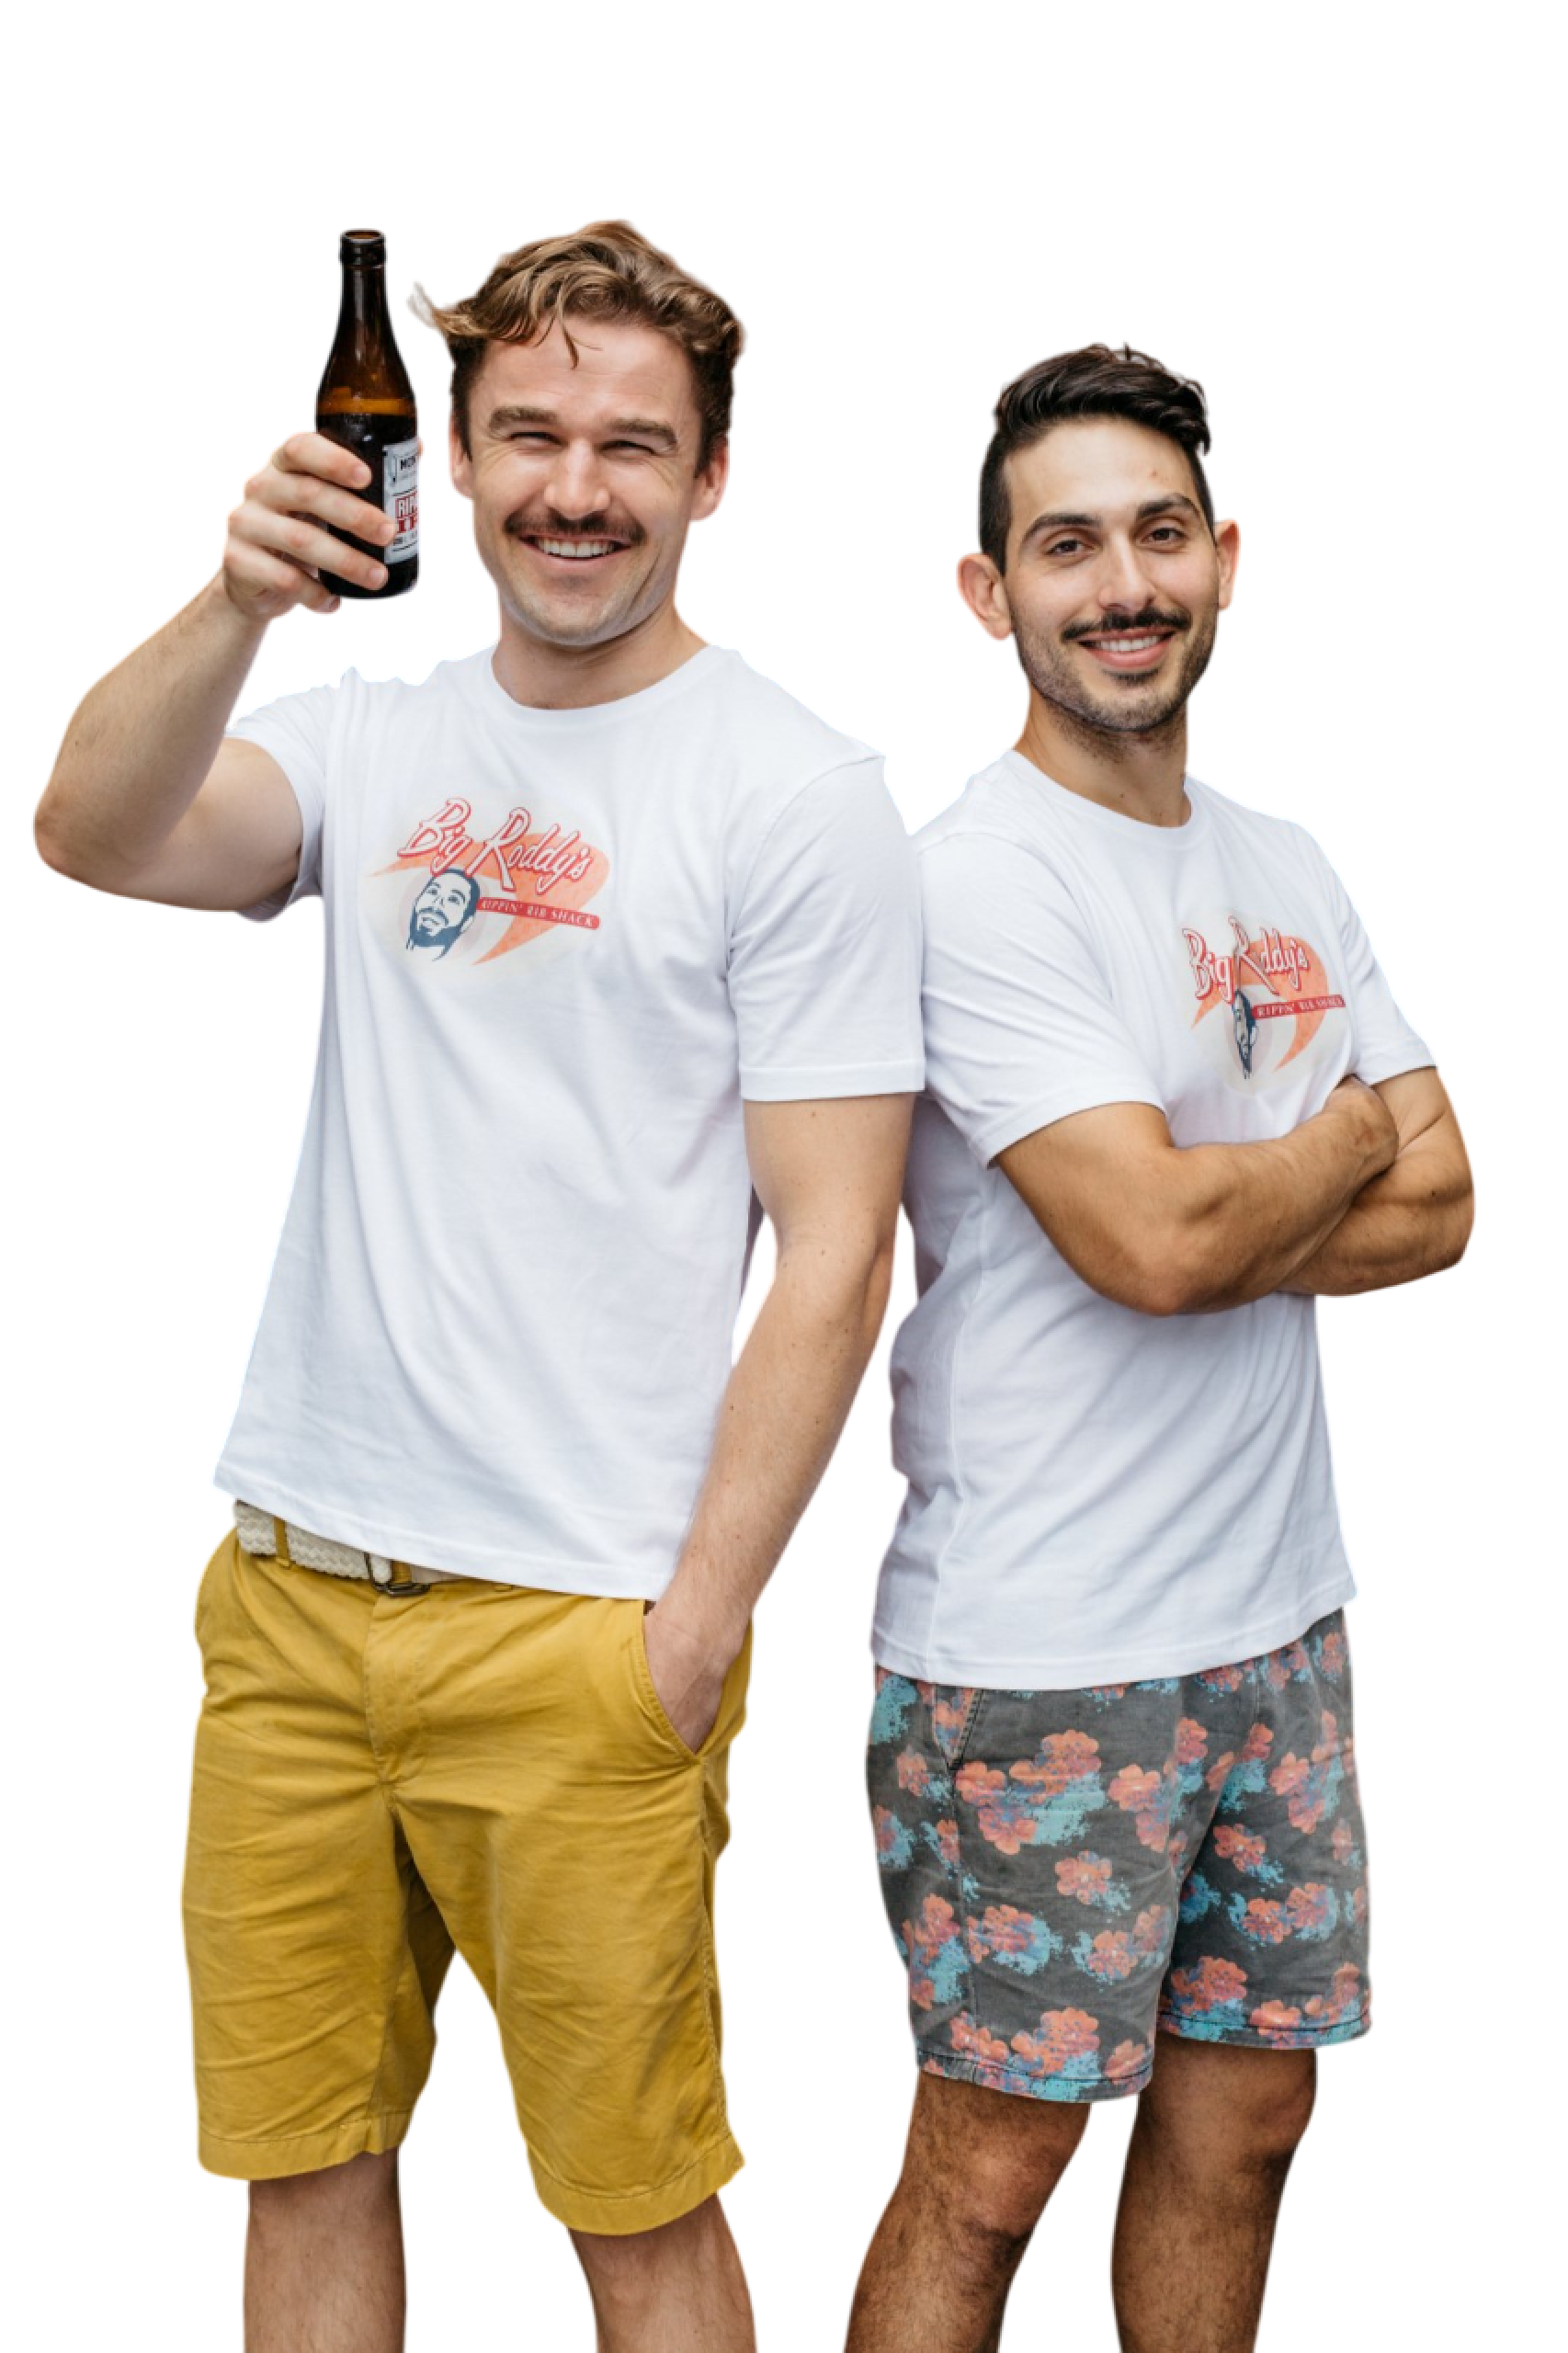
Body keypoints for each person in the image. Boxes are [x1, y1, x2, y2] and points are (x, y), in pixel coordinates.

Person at [34, 221, 923, 2353]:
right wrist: (239, 600)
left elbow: (836, 1244)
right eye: (525, 430)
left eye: (632, 441)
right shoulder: (370, 739)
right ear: (454, 450)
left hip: (577, 1625)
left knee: (642, 2220)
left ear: (711, 482)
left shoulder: (794, 792)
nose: (573, 485)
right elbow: (97, 827)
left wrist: (689, 1629)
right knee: (305, 2172)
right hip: (290, 1590)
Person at [843, 344, 1474, 2353]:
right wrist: (1344, 1131)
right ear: (991, 595)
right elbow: (1150, 1238)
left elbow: (1448, 1195)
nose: (1120, 582)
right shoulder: (975, 884)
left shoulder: (1280, 857)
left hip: (1272, 1623)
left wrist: (1270, 1186)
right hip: (1044, 1651)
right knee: (989, 2163)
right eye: (1066, 544)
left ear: (1220, 563)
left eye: (1158, 532)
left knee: (1247, 2119)